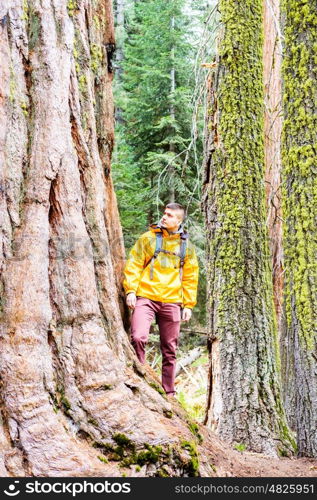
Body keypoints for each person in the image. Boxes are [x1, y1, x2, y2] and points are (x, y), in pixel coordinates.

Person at [123, 203, 199, 397]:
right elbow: (134, 265)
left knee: (170, 349)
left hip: (172, 301)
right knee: (138, 336)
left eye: (170, 215)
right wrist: (131, 290)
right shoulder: (148, 239)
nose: (164, 217)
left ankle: (169, 392)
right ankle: (141, 375)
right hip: (146, 297)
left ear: (179, 220)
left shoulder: (186, 247)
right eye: (164, 214)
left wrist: (188, 304)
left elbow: (190, 277)